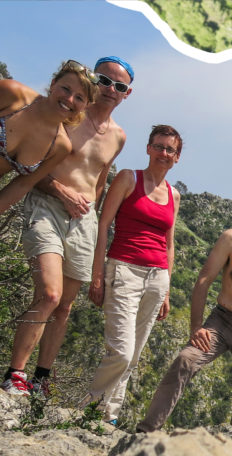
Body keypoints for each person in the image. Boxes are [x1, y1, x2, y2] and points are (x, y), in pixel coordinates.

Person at [1, 56, 132, 397]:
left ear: (126, 94)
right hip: (46, 205)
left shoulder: (118, 137)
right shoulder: (67, 116)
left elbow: (100, 181)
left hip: (83, 221)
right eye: (104, 80)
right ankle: (14, 374)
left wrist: (92, 220)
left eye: (118, 86)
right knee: (48, 293)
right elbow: (30, 165)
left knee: (64, 307)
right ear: (93, 79)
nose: (110, 90)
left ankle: (40, 379)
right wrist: (62, 191)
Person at [136, 197, 232, 432]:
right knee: (185, 360)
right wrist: (196, 327)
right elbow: (204, 280)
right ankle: (147, 430)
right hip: (222, 322)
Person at [80, 125, 182, 424]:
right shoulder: (129, 178)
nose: (164, 153)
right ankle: (87, 410)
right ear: (149, 148)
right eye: (159, 146)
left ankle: (109, 416)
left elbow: (169, 244)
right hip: (123, 269)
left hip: (157, 277)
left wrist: (166, 291)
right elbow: (103, 225)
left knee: (134, 356)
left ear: (177, 158)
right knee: (121, 352)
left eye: (170, 150)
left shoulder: (174, 195)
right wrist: (97, 274)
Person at [0, 59, 98, 214]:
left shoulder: (60, 147)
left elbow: (21, 185)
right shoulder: (13, 94)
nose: (70, 99)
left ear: (86, 106)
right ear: (53, 84)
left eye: (79, 98)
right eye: (66, 89)